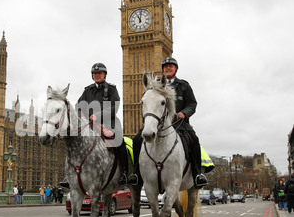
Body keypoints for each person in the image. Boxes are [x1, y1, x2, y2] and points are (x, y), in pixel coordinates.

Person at [130, 57, 208, 189]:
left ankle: (196, 175)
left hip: (180, 123)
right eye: (166, 67)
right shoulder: (155, 86)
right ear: (162, 70)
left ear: (176, 69)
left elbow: (192, 104)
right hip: (157, 123)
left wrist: (184, 113)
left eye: (171, 66)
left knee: (194, 139)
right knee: (137, 139)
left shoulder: (184, 85)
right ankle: (137, 174)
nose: (168, 68)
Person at [75, 63, 129, 185]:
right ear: (92, 75)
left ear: (104, 75)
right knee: (75, 144)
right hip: (89, 126)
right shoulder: (87, 91)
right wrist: (82, 116)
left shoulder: (111, 89)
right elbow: (78, 106)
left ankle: (125, 173)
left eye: (99, 73)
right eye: (95, 73)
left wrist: (97, 116)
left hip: (109, 124)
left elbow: (115, 106)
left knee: (120, 142)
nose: (97, 75)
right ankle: (73, 176)